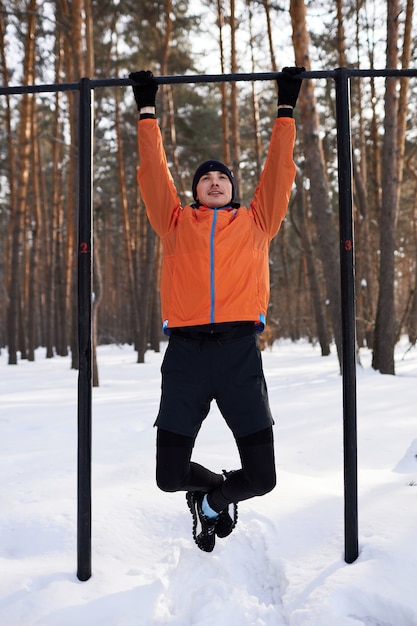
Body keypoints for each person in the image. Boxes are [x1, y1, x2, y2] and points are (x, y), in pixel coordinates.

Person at [130, 66, 303, 552]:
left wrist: (285, 109)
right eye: (204, 178)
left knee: (263, 476)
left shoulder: (256, 221)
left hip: (238, 355)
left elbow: (279, 170)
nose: (212, 180)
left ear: (232, 189)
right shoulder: (174, 222)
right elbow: (153, 174)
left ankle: (213, 502)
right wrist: (148, 112)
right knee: (168, 476)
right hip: (185, 357)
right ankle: (204, 493)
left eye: (220, 177)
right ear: (193, 192)